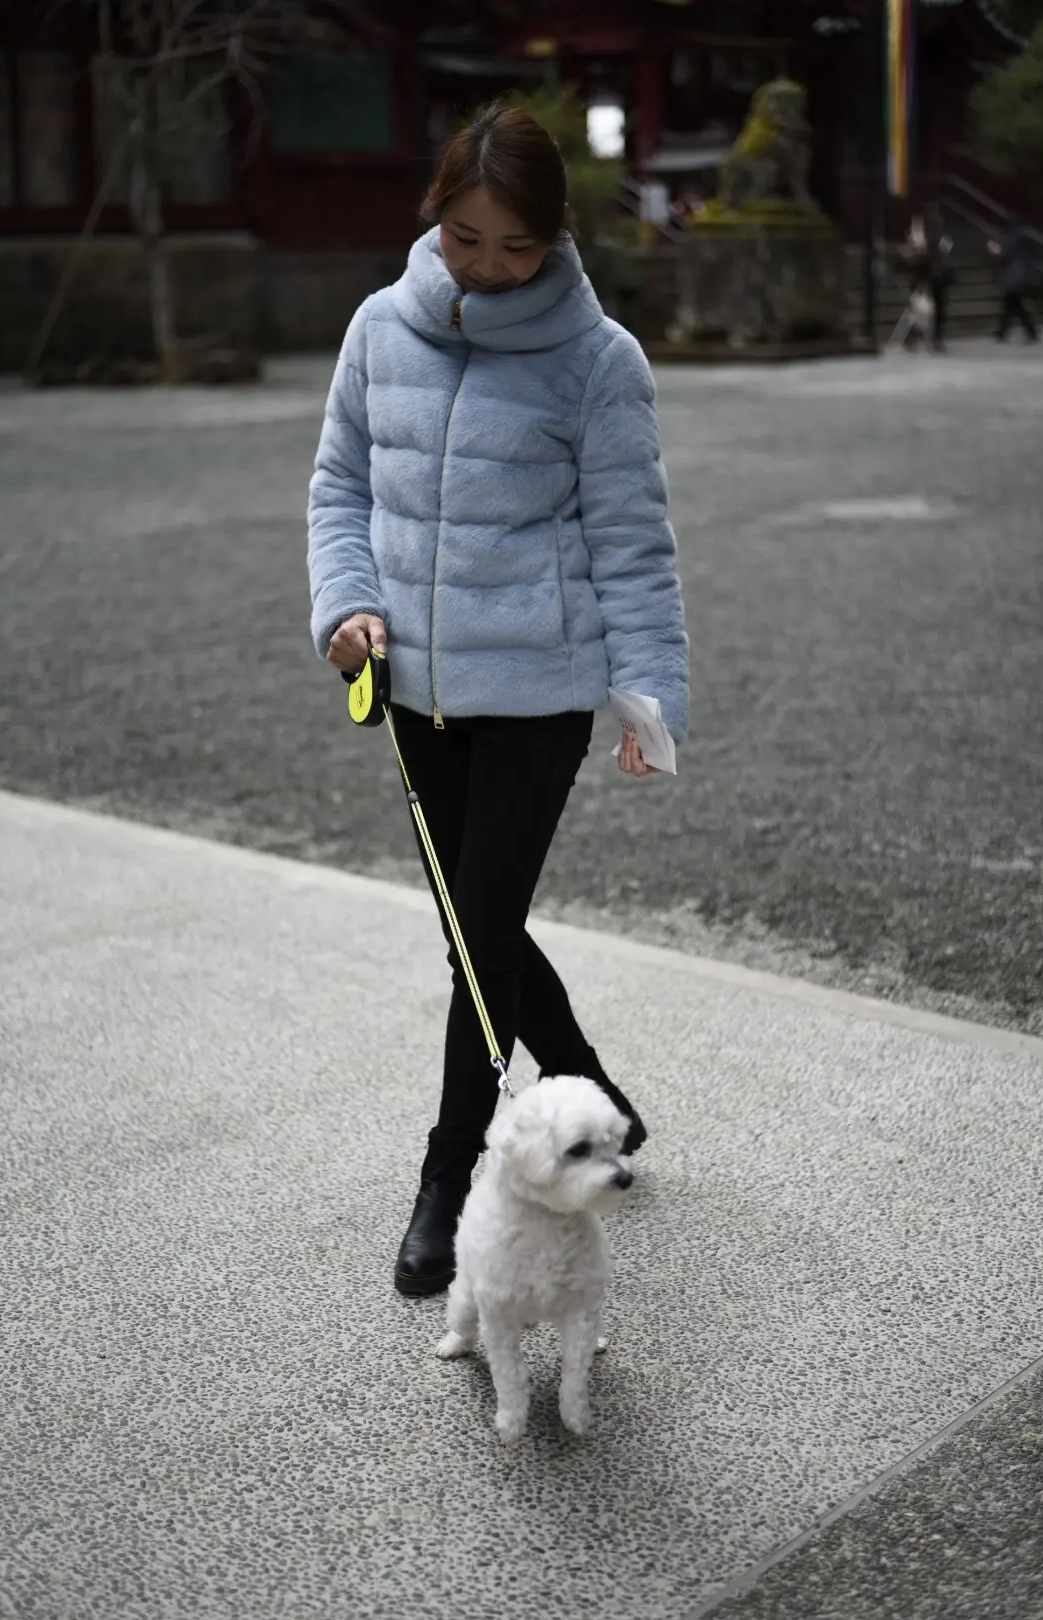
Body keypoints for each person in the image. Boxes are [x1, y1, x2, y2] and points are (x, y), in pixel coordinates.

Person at [307, 103, 689, 1298]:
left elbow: (633, 544)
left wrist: (643, 695)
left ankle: (448, 1171)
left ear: (556, 233)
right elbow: (338, 489)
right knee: (486, 927)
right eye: (467, 237)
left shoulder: (599, 361)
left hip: (534, 696)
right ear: (437, 217)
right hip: (413, 688)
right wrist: (345, 606)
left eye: (516, 245)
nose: (488, 265)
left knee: (477, 930)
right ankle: (595, 1088)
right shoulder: (379, 329)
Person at [896, 208, 954, 352]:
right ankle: (925, 337)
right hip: (929, 276)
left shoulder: (934, 235)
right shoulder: (926, 234)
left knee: (926, 308)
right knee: (924, 309)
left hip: (932, 275)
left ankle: (925, 337)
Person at [989, 216, 1042, 343]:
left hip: (1013, 275)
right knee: (1010, 304)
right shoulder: (1023, 234)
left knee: (1015, 304)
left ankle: (1030, 332)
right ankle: (1003, 331)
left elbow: (1003, 253)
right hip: (1022, 273)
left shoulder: (1009, 237)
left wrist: (993, 248)